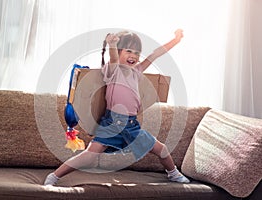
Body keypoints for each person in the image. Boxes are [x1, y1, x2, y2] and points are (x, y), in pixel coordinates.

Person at [44, 29, 190, 185]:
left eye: (136, 52)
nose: (133, 55)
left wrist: (175, 41)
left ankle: (173, 173)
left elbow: (155, 54)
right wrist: (112, 45)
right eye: (128, 51)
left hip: (131, 125)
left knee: (162, 150)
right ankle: (54, 176)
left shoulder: (137, 71)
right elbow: (113, 58)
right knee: (89, 156)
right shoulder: (113, 70)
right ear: (119, 52)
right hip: (112, 123)